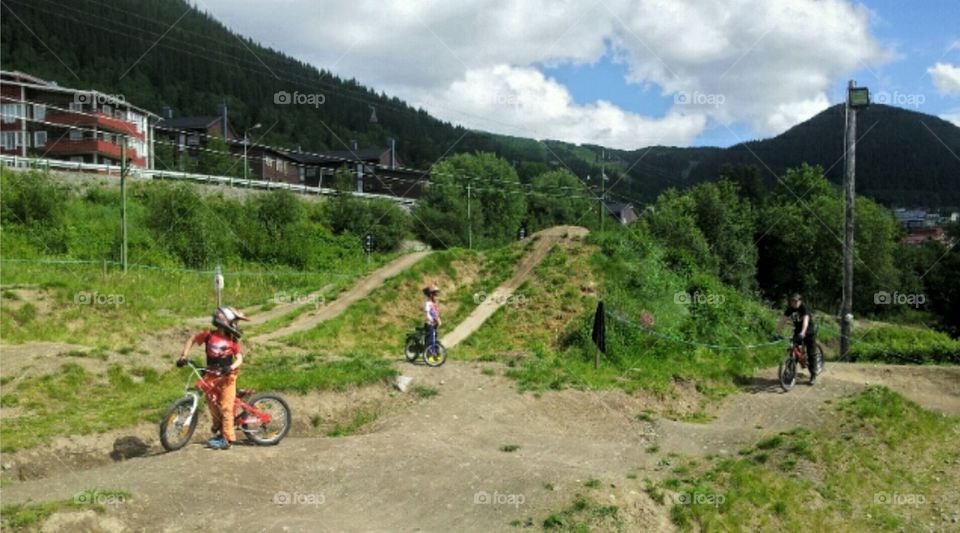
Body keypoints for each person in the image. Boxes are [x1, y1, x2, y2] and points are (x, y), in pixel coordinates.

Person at [177, 306, 248, 450]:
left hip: (227, 377)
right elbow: (192, 339)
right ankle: (219, 428)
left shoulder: (232, 341)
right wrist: (184, 355)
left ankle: (227, 440)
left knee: (226, 407)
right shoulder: (209, 335)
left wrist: (232, 367)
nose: (236, 326)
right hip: (211, 376)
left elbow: (239, 358)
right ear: (225, 320)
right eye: (235, 322)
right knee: (211, 403)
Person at [778, 293, 821, 385]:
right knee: (794, 351)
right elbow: (783, 320)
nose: (794, 303)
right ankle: (791, 373)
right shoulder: (790, 309)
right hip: (798, 332)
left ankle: (813, 375)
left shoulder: (804, 308)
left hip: (808, 332)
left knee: (811, 354)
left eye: (796, 301)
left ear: (800, 301)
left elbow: (805, 321)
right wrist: (777, 332)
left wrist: (803, 332)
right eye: (792, 301)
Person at [423, 285, 441, 350]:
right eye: (435, 295)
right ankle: (428, 353)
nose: (437, 297)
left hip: (434, 324)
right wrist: (432, 320)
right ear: (431, 295)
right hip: (429, 324)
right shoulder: (427, 303)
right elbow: (427, 315)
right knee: (430, 339)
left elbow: (435, 314)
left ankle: (434, 352)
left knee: (434, 338)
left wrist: (438, 319)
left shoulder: (434, 304)